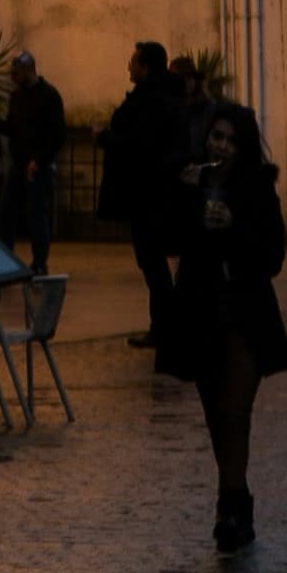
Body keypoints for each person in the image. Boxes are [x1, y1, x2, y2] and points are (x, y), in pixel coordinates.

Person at [156, 100, 287, 548]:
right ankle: (233, 498)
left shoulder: (256, 188)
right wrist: (183, 195)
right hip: (200, 311)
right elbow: (170, 240)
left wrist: (234, 227)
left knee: (235, 410)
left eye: (232, 140)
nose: (223, 146)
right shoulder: (192, 180)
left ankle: (231, 507)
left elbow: (272, 256)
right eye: (217, 137)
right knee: (216, 414)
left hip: (246, 313)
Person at [99, 39, 189, 350]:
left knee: (153, 264)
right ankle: (169, 323)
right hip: (162, 193)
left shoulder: (150, 102)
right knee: (156, 264)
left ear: (146, 67)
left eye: (133, 61)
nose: (128, 66)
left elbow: (137, 145)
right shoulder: (170, 98)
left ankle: (165, 326)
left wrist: (106, 138)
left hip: (150, 196)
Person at [0, 51, 67, 275]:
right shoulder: (17, 97)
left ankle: (39, 262)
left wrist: (39, 160)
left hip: (39, 167)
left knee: (36, 215)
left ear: (29, 70)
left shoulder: (49, 96)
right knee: (8, 214)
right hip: (19, 164)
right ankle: (4, 260)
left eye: (16, 73)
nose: (13, 78)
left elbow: (58, 135)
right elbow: (13, 127)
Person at [171, 55, 218, 162]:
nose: (187, 82)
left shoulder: (207, 108)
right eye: (182, 78)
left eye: (190, 77)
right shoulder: (168, 109)